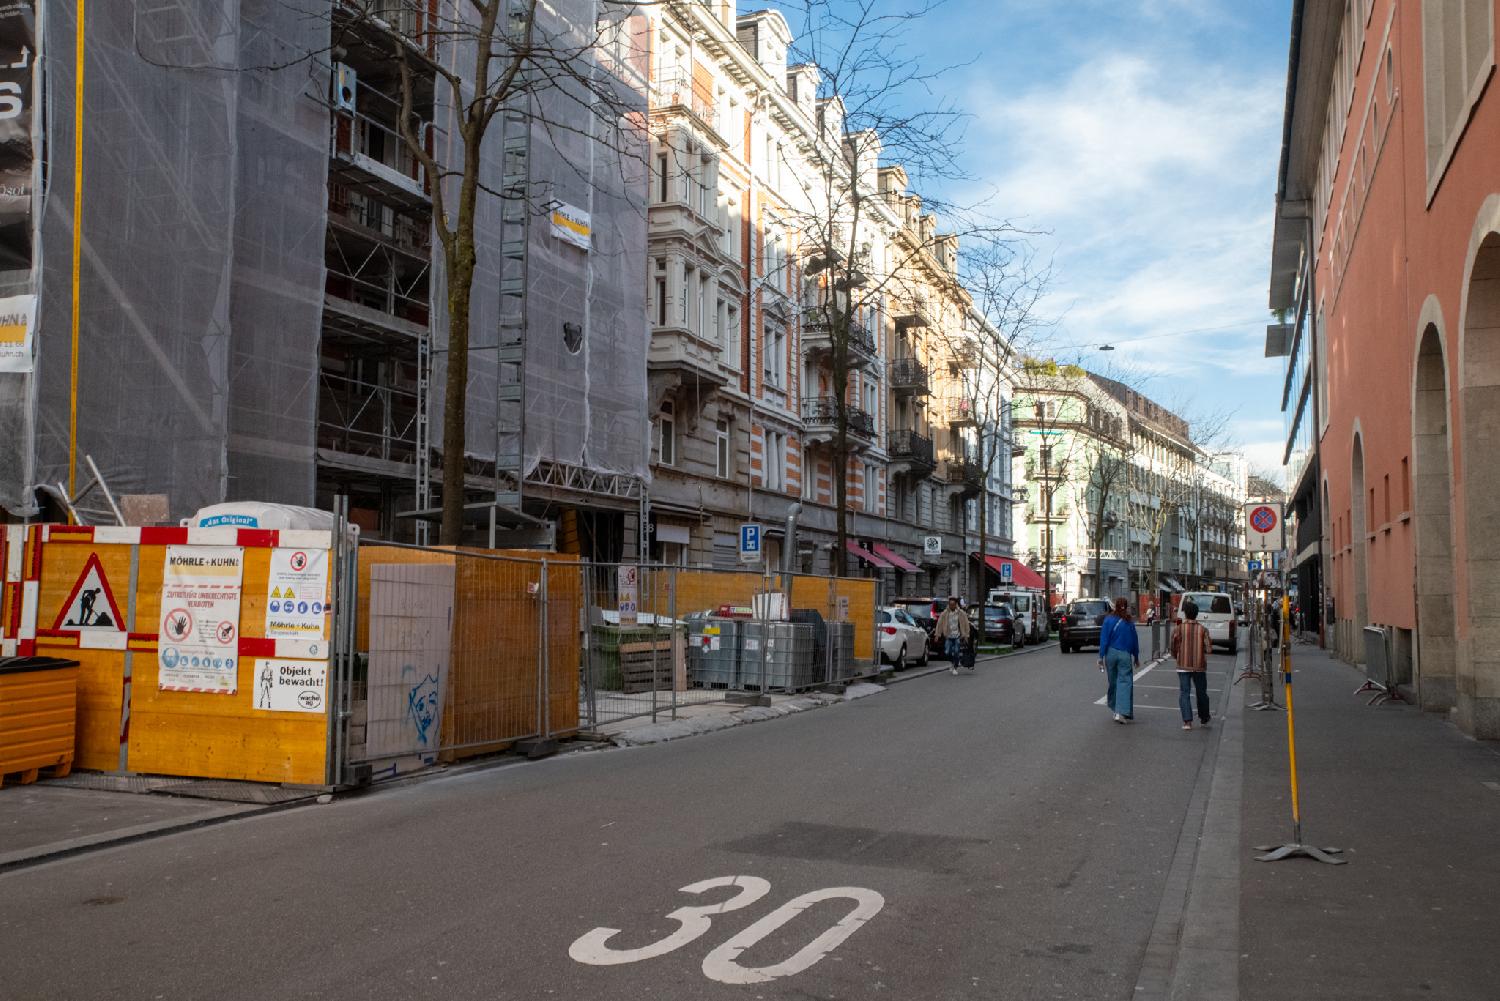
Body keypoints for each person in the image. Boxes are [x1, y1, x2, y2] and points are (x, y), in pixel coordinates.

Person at [1171, 599, 1213, 730]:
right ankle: (1204, 717)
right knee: (1201, 693)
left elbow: (1173, 645)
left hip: (1183, 665)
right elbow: (1209, 649)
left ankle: (1187, 721)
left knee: (1184, 692)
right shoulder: (1203, 629)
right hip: (1199, 665)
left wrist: (1176, 655)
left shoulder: (1179, 628)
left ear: (1185, 614)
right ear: (1196, 614)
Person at [1103, 597, 1139, 723]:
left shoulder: (1108, 620)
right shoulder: (1129, 622)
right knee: (1124, 682)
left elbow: (1104, 639)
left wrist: (1100, 656)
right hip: (1125, 655)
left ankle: (1114, 709)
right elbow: (1134, 641)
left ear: (1115, 606)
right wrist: (1136, 656)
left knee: (1113, 682)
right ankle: (1121, 712)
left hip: (1111, 654)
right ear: (1126, 606)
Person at [935, 596, 972, 676]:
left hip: (957, 636)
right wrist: (937, 634)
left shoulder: (961, 613)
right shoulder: (945, 613)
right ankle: (953, 662)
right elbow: (939, 624)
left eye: (953, 604)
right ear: (948, 604)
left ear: (956, 605)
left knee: (956, 652)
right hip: (948, 636)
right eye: (950, 604)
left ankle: (955, 667)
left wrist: (966, 635)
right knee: (947, 652)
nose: (952, 606)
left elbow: (966, 624)